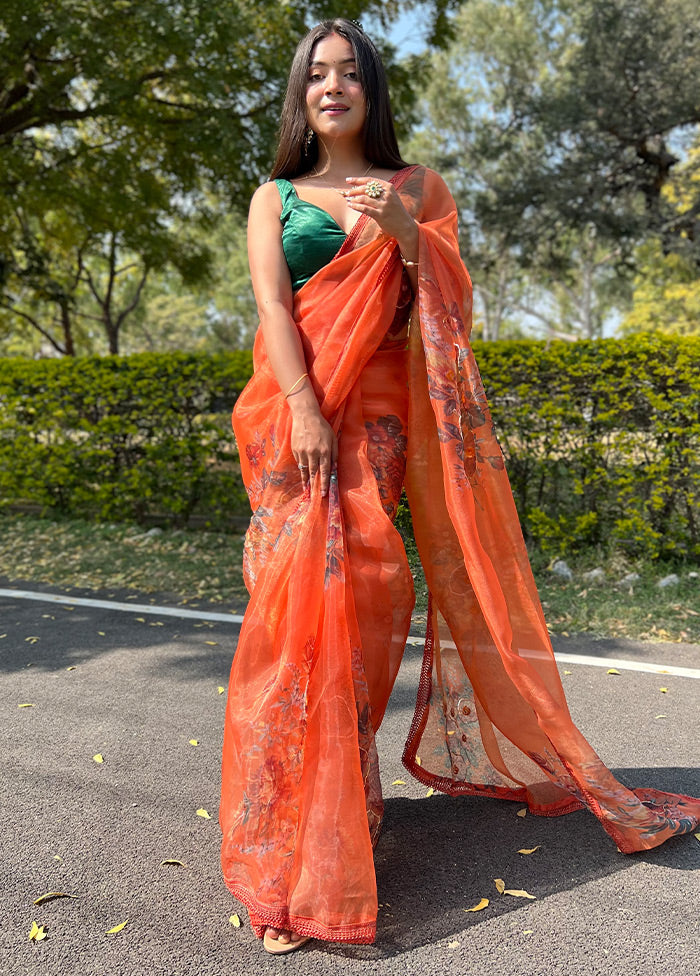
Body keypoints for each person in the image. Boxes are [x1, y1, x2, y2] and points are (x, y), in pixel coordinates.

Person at [219, 18, 700, 955]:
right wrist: (307, 410)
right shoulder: (275, 195)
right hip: (297, 419)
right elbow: (275, 304)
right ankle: (298, 846)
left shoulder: (417, 187)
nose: (331, 87)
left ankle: (340, 799)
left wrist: (407, 237)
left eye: (348, 73)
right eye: (315, 75)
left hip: (389, 421)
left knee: (366, 592)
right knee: (296, 614)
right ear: (300, 96)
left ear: (371, 91)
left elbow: (448, 306)